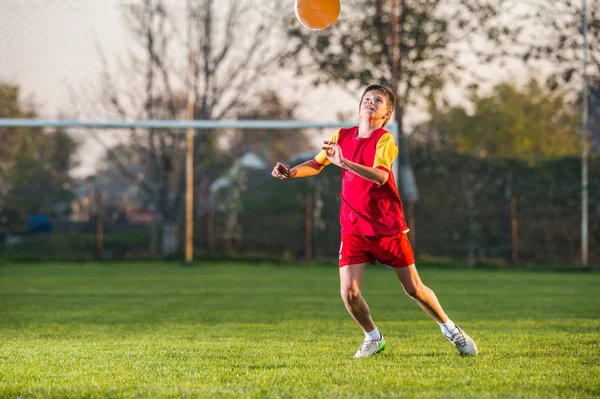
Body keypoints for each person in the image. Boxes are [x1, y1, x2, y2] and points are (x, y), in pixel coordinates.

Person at [271, 84, 478, 358]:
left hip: (386, 227)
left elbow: (380, 176)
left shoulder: (385, 140)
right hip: (354, 228)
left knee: (414, 289)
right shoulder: (341, 136)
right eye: (366, 99)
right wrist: (290, 172)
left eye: (377, 100)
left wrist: (344, 163)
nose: (370, 102)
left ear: (386, 113)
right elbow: (318, 163)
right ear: (359, 108)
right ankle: (373, 337)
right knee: (350, 294)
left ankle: (451, 330)